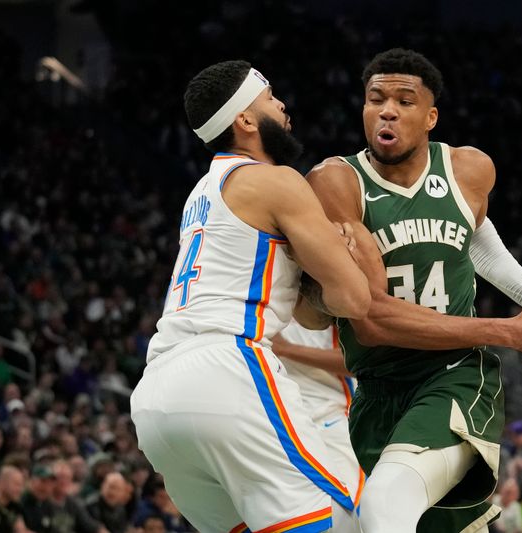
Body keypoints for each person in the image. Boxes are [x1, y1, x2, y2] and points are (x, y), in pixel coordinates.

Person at [303, 48, 522, 532]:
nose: (387, 109)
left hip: (455, 376)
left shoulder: (468, 169)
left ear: (430, 117)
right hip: (378, 391)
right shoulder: (336, 182)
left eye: (404, 101)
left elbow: (476, 240)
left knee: (384, 506)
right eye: (375, 98)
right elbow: (371, 319)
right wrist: (516, 331)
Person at [131, 59, 371, 533]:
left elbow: (310, 313)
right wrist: (351, 246)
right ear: (244, 120)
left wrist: (311, 275)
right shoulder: (278, 179)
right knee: (346, 520)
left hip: (155, 398)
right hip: (228, 368)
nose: (282, 106)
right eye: (270, 98)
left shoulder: (202, 192)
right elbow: (354, 301)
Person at [272, 320, 365, 510]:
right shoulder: (254, 303)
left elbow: (360, 362)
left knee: (349, 506)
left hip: (328, 418)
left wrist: (287, 349)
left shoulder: (329, 299)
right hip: (277, 421)